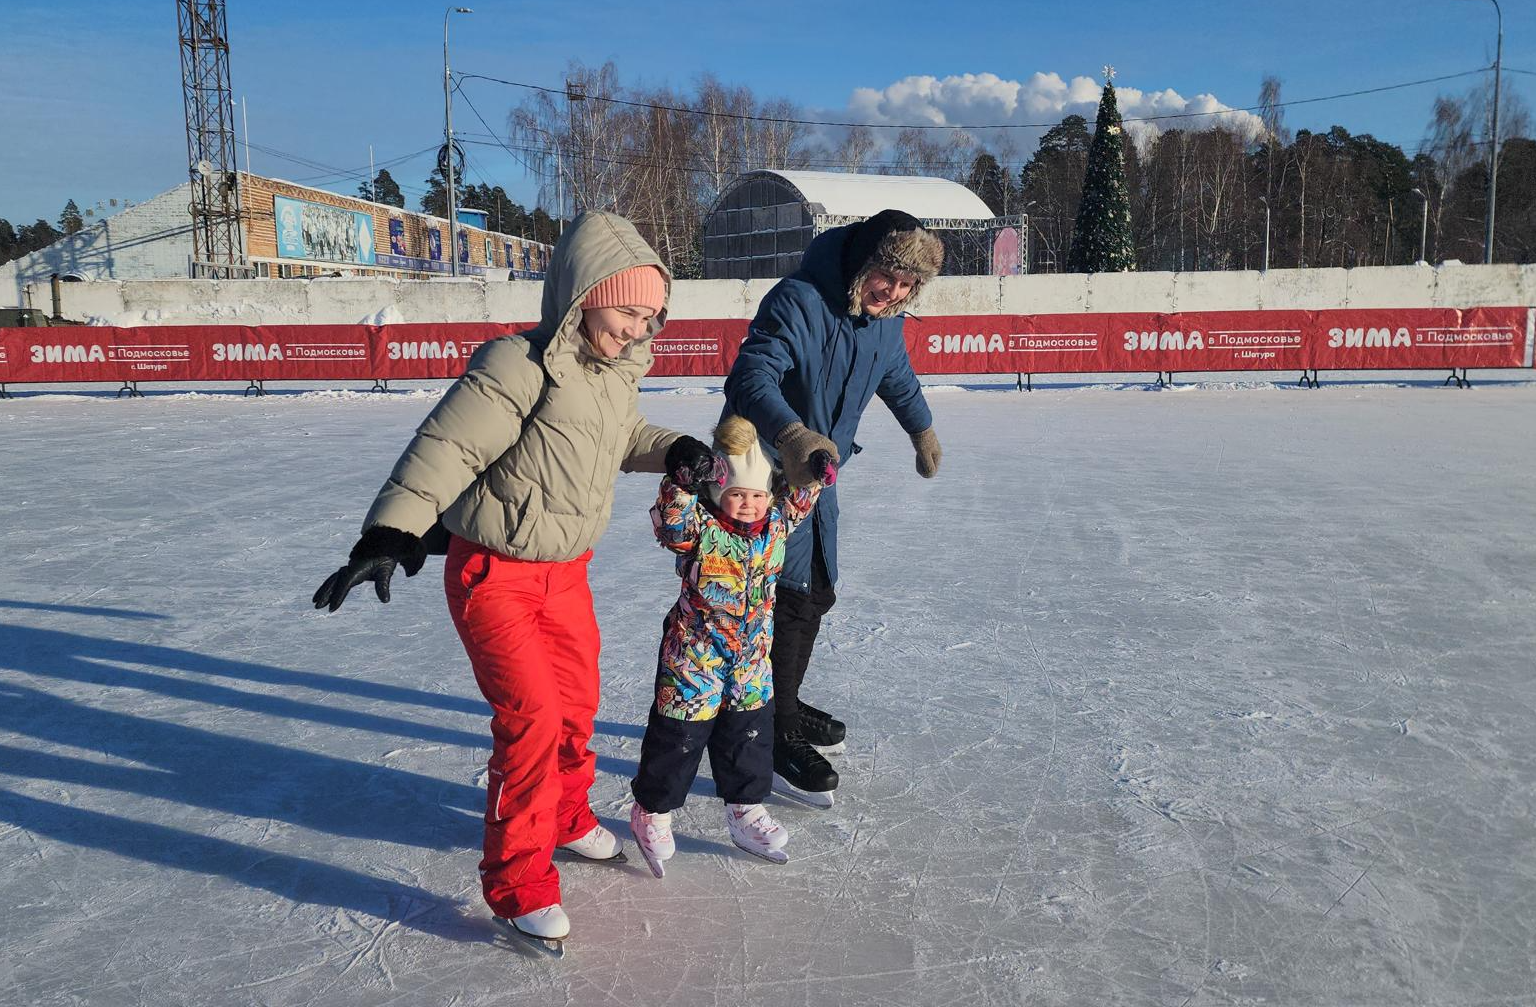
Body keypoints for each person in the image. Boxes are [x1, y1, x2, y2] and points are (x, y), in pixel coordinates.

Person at [311, 210, 717, 947]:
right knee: (530, 721)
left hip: (567, 574)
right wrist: (390, 530)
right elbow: (447, 449)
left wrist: (677, 448)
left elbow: (621, 435)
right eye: (630, 310)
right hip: (494, 575)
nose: (638, 329)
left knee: (577, 705)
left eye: (651, 317)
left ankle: (564, 813)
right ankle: (518, 882)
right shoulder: (516, 365)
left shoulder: (610, 374)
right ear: (587, 291)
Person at [723, 208, 944, 806]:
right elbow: (750, 377)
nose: (893, 294)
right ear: (861, 263)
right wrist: (792, 435)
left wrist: (921, 431)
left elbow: (897, 378)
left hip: (820, 481)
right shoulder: (798, 301)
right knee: (781, 604)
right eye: (886, 277)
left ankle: (783, 705)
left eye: (906, 287)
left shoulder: (883, 323)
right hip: (764, 480)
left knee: (814, 593)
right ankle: (767, 734)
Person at [626, 415, 828, 876]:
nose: (748, 505)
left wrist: (816, 474)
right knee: (678, 738)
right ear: (719, 494)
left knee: (750, 735)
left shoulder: (776, 524)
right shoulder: (701, 529)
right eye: (738, 494)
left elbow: (799, 499)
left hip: (751, 657)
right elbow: (671, 525)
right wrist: (679, 484)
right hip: (694, 656)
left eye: (757, 495)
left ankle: (745, 809)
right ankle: (652, 812)